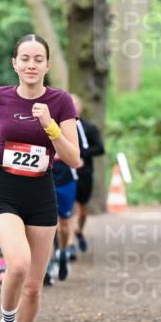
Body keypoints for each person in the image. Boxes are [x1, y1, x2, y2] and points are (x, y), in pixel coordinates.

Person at [0, 34, 80, 322]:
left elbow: (74, 158)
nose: (31, 65)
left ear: (47, 65)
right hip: (3, 189)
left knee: (33, 288)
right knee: (17, 264)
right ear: (14, 63)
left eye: (38, 59)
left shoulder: (61, 102)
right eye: (25, 58)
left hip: (40, 194)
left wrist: (49, 125)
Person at [70, 96, 104, 255]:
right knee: (70, 207)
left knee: (82, 209)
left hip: (85, 173)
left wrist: (81, 154)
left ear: (81, 108)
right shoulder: (57, 127)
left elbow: (100, 148)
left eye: (76, 104)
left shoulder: (89, 128)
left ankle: (78, 231)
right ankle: (68, 242)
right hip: (66, 173)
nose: (73, 107)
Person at [50, 159, 78, 280]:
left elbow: (76, 157)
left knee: (63, 227)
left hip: (66, 181)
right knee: (46, 226)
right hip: (45, 178)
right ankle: (47, 266)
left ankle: (62, 252)